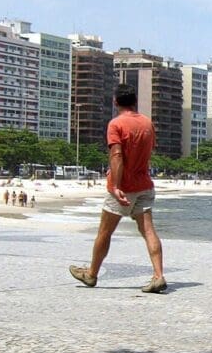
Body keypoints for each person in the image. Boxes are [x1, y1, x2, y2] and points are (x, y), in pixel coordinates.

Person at [69, 83, 167, 293]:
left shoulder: (116, 124)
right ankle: (158, 275)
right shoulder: (147, 124)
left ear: (115, 102)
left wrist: (115, 185)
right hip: (145, 185)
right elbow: (148, 151)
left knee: (105, 232)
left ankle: (91, 274)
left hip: (124, 187)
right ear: (135, 101)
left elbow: (117, 155)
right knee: (149, 230)